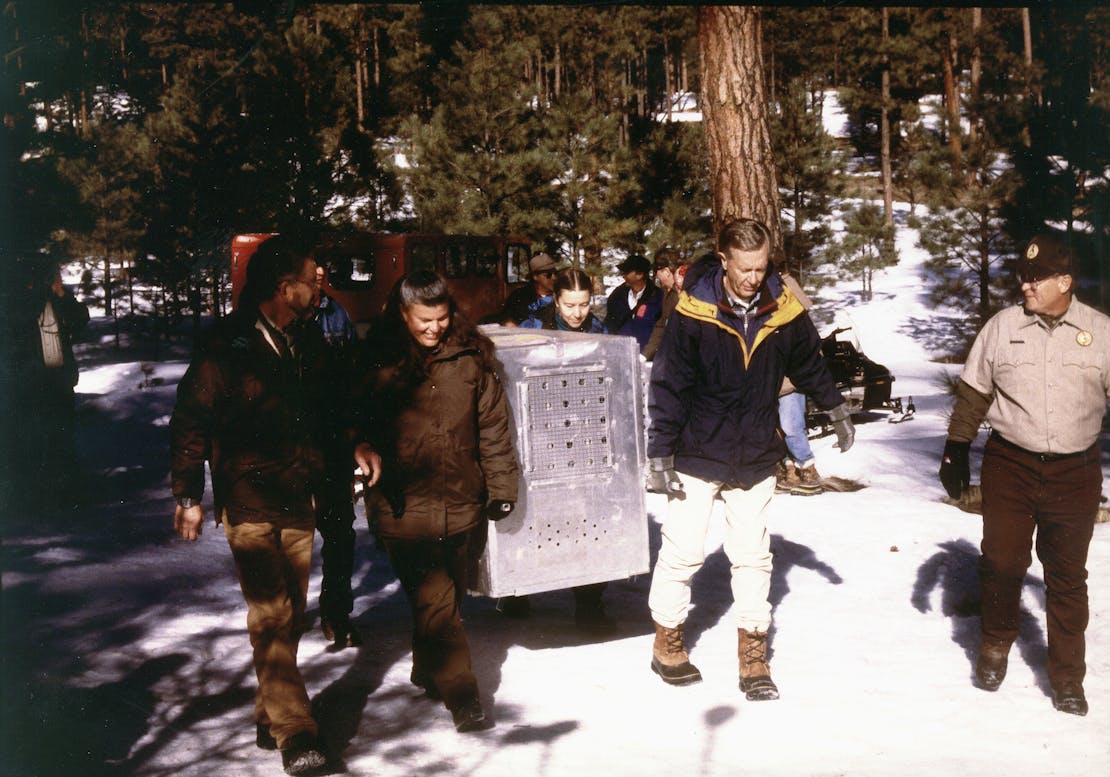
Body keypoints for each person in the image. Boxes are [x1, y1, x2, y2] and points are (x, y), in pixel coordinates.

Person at [170, 236, 378, 775]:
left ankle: (269, 714)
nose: (321, 288)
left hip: (298, 496)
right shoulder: (226, 344)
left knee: (289, 613)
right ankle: (296, 730)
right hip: (248, 498)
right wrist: (189, 495)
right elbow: (191, 420)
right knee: (269, 613)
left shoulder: (305, 341)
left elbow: (330, 410)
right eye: (314, 278)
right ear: (287, 288)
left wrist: (354, 442)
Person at [645, 218, 853, 699]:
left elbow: (808, 361)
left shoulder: (782, 308)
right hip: (698, 449)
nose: (752, 277)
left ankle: (753, 656)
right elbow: (670, 383)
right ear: (724, 260)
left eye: (760, 267)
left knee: (754, 557)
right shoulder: (693, 310)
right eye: (744, 268)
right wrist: (660, 451)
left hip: (756, 451)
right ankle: (668, 643)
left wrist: (836, 405)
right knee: (683, 551)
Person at [939, 233, 1109, 717]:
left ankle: (1068, 676)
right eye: (1023, 275)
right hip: (1010, 465)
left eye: (1036, 278)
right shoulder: (1002, 327)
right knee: (1002, 562)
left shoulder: (1101, 333)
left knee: (1067, 576)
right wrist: (955, 449)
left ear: (1065, 281)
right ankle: (994, 643)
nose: (1025, 285)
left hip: (1075, 473)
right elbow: (974, 394)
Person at [355, 271, 519, 733]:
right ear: (403, 313)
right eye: (423, 320)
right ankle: (462, 693)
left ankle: (428, 665)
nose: (434, 328)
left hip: (464, 499)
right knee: (436, 599)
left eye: (442, 318)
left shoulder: (473, 358)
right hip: (404, 504)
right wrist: (360, 448)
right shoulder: (377, 360)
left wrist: (503, 488)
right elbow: (351, 422)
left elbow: (493, 429)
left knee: (448, 597)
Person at [502, 268, 613, 632]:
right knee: (535, 514)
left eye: (584, 304)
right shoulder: (534, 326)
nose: (578, 313)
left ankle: (589, 603)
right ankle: (518, 592)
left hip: (583, 431)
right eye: (570, 305)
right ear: (555, 300)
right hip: (540, 429)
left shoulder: (599, 331)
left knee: (586, 516)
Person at [3, 259, 89, 513]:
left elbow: (80, 320)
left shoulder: (57, 300)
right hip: (29, 386)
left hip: (58, 384)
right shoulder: (18, 301)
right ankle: (34, 501)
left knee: (62, 440)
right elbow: (18, 323)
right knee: (33, 445)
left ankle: (67, 498)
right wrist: (37, 292)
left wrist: (62, 295)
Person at [311, 263, 362, 648]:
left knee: (340, 537)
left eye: (322, 269)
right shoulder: (280, 320)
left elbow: (355, 376)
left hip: (334, 445)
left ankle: (337, 614)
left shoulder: (337, 314)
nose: (318, 274)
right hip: (293, 448)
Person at [776, 272, 823, 496]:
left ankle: (808, 469)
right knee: (776, 427)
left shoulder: (784, 287)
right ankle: (790, 469)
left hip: (791, 379)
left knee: (791, 425)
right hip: (770, 380)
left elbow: (803, 309)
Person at [603, 254, 664, 354]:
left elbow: (661, 332)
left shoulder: (658, 298)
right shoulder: (616, 297)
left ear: (639, 275)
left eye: (626, 272)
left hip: (647, 358)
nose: (623, 275)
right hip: (620, 355)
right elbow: (609, 326)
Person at [642, 248, 682, 361]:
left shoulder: (685, 291)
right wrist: (645, 355)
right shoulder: (665, 293)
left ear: (666, 271)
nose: (656, 276)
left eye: (656, 271)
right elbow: (661, 325)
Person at [499, 252, 558, 325]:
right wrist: (509, 322)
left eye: (555, 273)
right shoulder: (519, 296)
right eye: (548, 275)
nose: (554, 278)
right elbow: (506, 318)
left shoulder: (561, 296)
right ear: (535, 277)